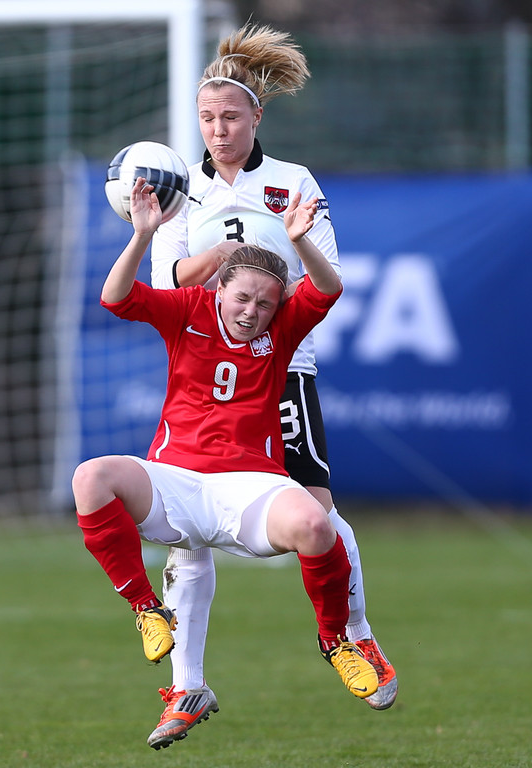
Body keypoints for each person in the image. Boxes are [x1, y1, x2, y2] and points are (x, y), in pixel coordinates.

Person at [147, 22, 397, 750]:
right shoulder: (180, 189)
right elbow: (166, 283)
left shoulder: (294, 182)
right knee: (183, 527)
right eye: (207, 118)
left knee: (317, 511)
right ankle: (185, 686)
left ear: (257, 116)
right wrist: (228, 260)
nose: (218, 130)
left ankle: (355, 634)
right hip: (201, 373)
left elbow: (327, 276)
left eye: (230, 117)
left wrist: (289, 243)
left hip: (280, 369)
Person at [73, 176, 380, 741]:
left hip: (250, 487)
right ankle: (146, 608)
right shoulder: (188, 307)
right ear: (219, 289)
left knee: (316, 524)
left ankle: (336, 640)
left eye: (265, 302)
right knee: (90, 477)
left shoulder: (283, 327)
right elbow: (115, 298)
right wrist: (142, 235)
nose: (252, 311)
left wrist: (300, 241)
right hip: (176, 479)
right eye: (242, 298)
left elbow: (329, 288)